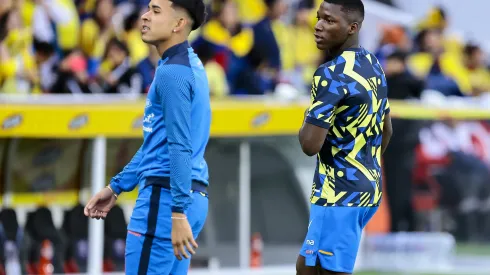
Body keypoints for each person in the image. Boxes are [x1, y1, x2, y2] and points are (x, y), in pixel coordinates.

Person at [83, 1, 210, 274]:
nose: (144, 16)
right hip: (189, 195)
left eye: (155, 10)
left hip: (164, 199)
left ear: (179, 24)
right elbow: (160, 142)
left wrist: (176, 211)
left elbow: (178, 146)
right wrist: (117, 186)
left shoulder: (171, 73)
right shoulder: (191, 65)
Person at [296, 1, 392, 275]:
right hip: (368, 189)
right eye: (318, 18)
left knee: (328, 271)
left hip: (338, 196)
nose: (318, 26)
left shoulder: (331, 74)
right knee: (306, 267)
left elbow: (309, 145)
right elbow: (387, 131)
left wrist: (309, 115)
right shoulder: (374, 64)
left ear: (352, 28)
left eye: (328, 20)